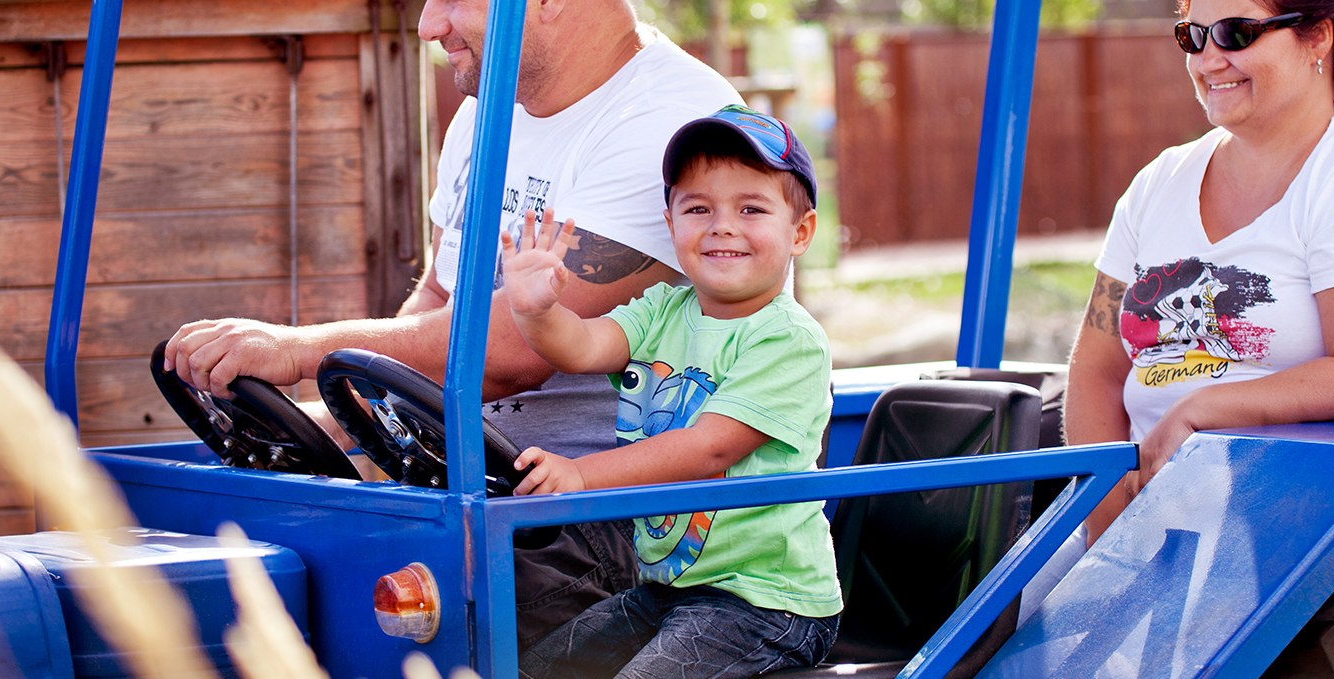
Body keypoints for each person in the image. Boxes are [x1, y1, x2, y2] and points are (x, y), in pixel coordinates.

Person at [162, 0, 743, 649]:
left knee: (409, 618)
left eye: (453, 0)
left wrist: (298, 350)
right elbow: (443, 295)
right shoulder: (482, 115)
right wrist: (339, 420)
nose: (428, 27)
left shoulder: (674, 124)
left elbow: (513, 347)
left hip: (638, 523)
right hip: (497, 497)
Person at [1064, 0, 1334, 547]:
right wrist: (1104, 530)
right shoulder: (1159, 183)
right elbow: (1097, 371)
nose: (1208, 60)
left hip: (1315, 521)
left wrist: (1199, 412)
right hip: (1149, 518)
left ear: (1317, 39)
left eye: (1236, 33)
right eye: (1192, 36)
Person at [503, 105, 839, 678]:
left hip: (765, 602)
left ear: (800, 231)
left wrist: (582, 475)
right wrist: (536, 310)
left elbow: (709, 449)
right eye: (698, 208)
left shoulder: (789, 339)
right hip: (665, 590)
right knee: (535, 669)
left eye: (751, 208)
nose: (722, 225)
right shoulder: (665, 308)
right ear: (670, 222)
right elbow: (582, 347)